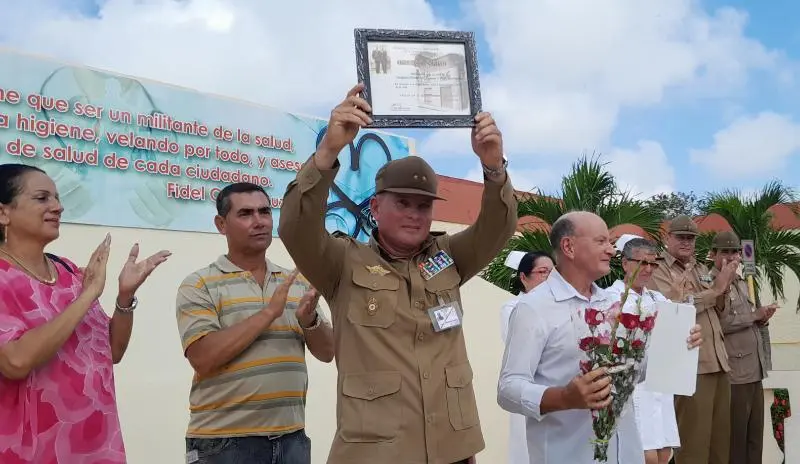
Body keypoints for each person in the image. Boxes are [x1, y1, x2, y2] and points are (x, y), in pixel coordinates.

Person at [278, 83, 518, 464]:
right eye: (402, 202)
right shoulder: (341, 262)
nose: (414, 213)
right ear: (375, 206)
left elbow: (497, 228)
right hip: (376, 451)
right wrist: (327, 153)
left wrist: (493, 167)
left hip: (451, 448)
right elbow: (295, 228)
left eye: (423, 206)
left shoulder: (450, 256)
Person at [496, 211, 702, 464]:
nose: (612, 250)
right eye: (601, 241)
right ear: (569, 246)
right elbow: (508, 389)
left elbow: (632, 372)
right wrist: (563, 397)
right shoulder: (534, 307)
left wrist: (677, 347)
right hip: (568, 454)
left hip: (625, 452)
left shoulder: (614, 303)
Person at [0, 163, 170, 463]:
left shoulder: (68, 272)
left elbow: (111, 350)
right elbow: (16, 361)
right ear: (4, 213)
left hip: (98, 447)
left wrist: (124, 296)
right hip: (30, 452)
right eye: (42, 198)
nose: (58, 206)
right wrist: (89, 294)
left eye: (57, 198)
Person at [175, 182, 334, 464]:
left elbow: (327, 352)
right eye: (246, 213)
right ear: (221, 224)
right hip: (224, 444)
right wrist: (268, 313)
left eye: (265, 211)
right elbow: (203, 358)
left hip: (292, 439)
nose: (259, 221)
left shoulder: (296, 281)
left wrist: (310, 321)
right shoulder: (199, 284)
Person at [650, 215, 737, 464]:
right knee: (694, 447)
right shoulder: (659, 269)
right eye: (681, 237)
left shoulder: (700, 268)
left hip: (719, 361)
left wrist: (724, 287)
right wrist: (716, 290)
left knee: (720, 446)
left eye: (691, 238)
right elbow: (673, 308)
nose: (687, 243)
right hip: (691, 365)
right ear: (668, 238)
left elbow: (721, 313)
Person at [608, 235, 679, 464]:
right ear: (625, 263)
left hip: (659, 384)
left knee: (664, 452)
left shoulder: (657, 298)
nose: (648, 269)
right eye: (642, 263)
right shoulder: (611, 298)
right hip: (633, 386)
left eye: (652, 263)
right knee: (644, 455)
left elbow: (677, 330)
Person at [711, 231, 776, 464]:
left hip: (754, 369)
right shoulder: (713, 283)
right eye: (724, 252)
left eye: (734, 252)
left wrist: (762, 318)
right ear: (713, 255)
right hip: (734, 374)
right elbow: (719, 323)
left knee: (754, 439)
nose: (730, 257)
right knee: (735, 442)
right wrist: (753, 316)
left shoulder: (742, 281)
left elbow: (749, 317)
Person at [499, 250, 554, 464]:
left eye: (553, 272)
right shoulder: (513, 308)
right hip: (530, 386)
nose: (549, 278)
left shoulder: (560, 306)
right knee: (527, 451)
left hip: (558, 391)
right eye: (543, 272)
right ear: (523, 277)